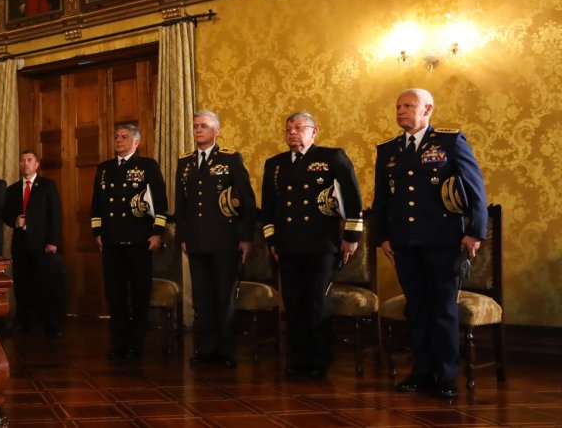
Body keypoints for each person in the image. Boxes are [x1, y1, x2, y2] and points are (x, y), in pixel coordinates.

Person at [374, 89, 488, 399]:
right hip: (404, 243)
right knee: (418, 308)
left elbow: (475, 188)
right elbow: (382, 198)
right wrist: (382, 236)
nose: (401, 111)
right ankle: (422, 371)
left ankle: (447, 375)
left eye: (408, 106)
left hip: (443, 241)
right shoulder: (389, 150)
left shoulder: (450, 142)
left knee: (442, 309)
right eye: (398, 106)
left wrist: (475, 232)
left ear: (428, 110)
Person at [260, 112, 363, 379]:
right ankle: (298, 358)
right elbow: (268, 209)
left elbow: (353, 200)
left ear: (314, 131)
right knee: (294, 305)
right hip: (288, 246)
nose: (292, 133)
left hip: (322, 245)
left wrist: (351, 237)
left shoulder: (332, 157)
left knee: (317, 304)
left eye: (299, 128)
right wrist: (272, 240)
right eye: (288, 129)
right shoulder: (276, 165)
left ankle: (318, 360)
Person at [173, 110, 256, 367]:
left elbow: (247, 201)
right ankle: (205, 349)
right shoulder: (184, 162)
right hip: (196, 241)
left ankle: (225, 351)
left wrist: (245, 238)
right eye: (196, 126)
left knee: (223, 297)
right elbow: (182, 203)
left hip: (225, 240)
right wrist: (183, 236)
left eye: (204, 126)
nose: (198, 130)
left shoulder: (230, 159)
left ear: (216, 131)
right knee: (203, 298)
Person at [89, 123, 168, 360]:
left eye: (124, 137)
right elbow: (97, 205)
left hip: (139, 240)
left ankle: (136, 343)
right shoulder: (105, 168)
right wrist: (98, 233)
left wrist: (157, 232)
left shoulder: (147, 166)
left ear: (136, 142)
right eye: (116, 136)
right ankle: (119, 342)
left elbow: (161, 203)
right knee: (116, 295)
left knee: (139, 294)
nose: (119, 140)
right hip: (112, 242)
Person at [2, 150, 64, 337]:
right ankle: (22, 322)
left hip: (43, 244)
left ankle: (50, 323)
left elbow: (56, 215)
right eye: (22, 160)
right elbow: (5, 214)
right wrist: (15, 221)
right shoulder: (12, 189)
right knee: (21, 285)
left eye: (29, 160)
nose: (25, 163)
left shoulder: (47, 186)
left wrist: (53, 241)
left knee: (45, 284)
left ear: (36, 164)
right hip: (21, 244)